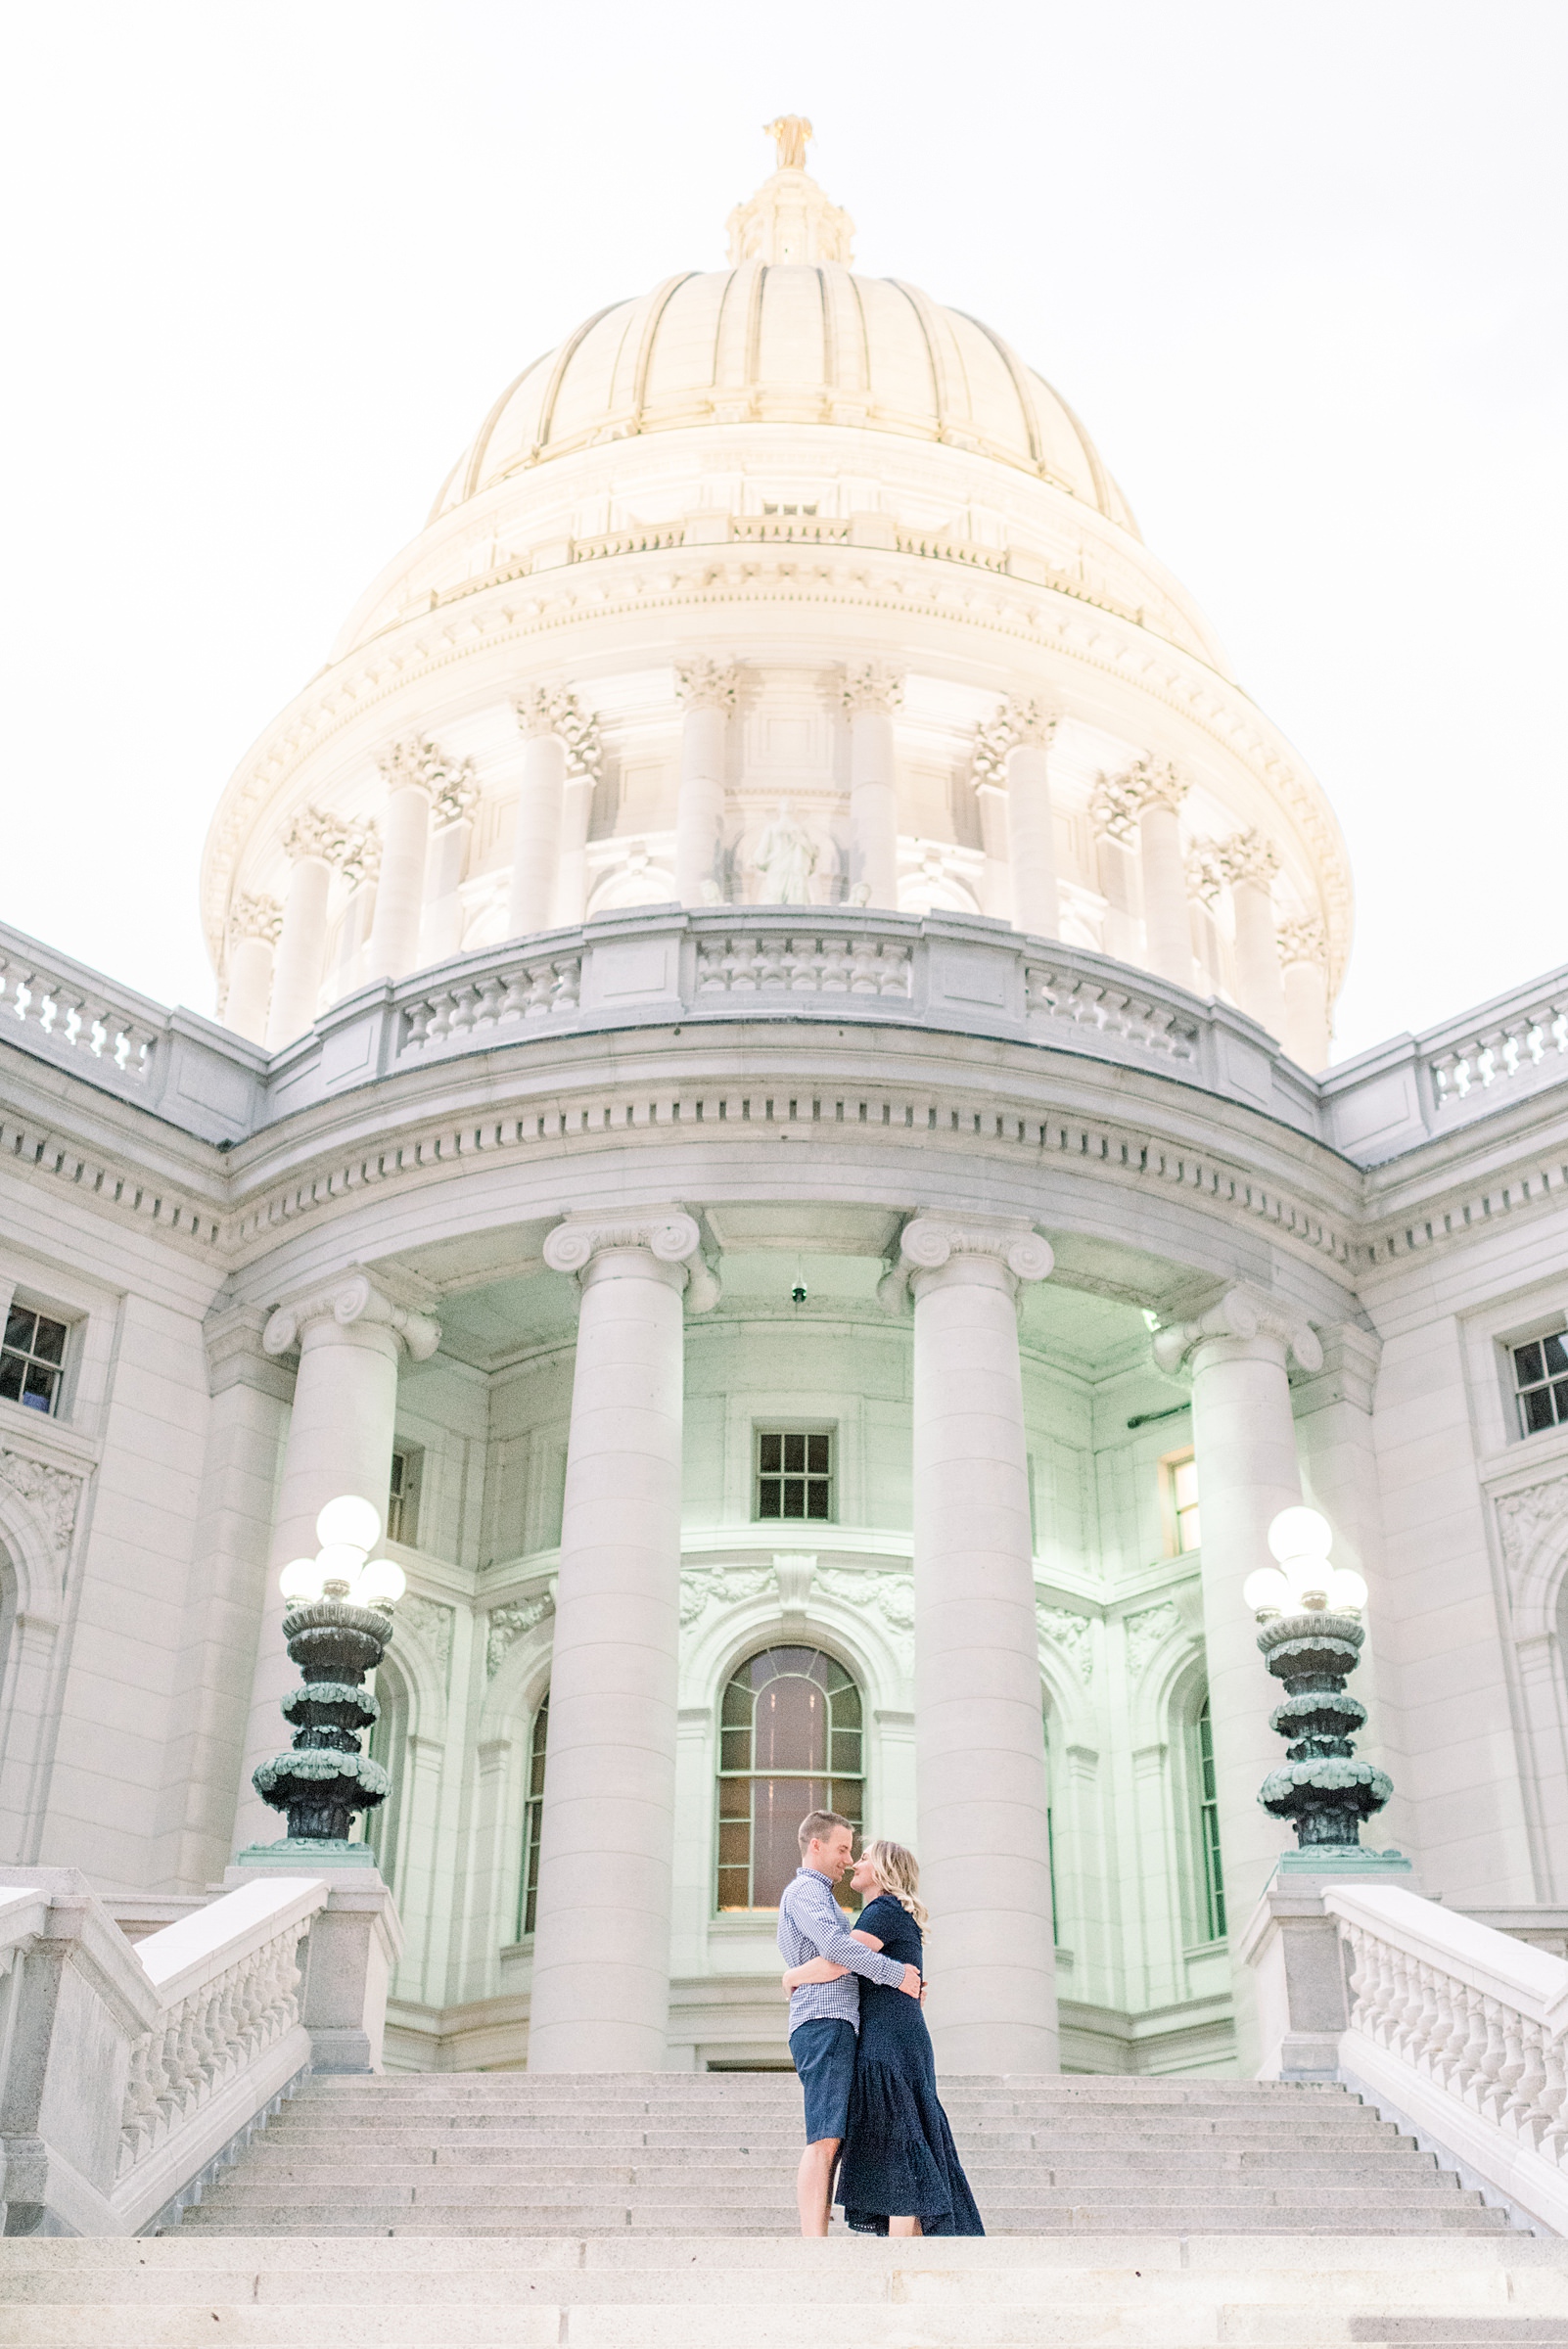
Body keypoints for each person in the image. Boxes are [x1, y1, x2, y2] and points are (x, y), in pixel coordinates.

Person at [783, 1837, 984, 2238]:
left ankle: (899, 2249)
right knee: (902, 2134)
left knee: (898, 2135)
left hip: (888, 2039)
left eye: (863, 1858)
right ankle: (904, 2245)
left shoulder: (883, 1909)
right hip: (899, 2036)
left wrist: (792, 1976)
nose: (855, 1863)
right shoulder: (892, 1912)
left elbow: (841, 1959)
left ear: (885, 1871)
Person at [776, 1810, 924, 2236]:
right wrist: (895, 1974)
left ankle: (820, 2238)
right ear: (815, 1845)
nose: (848, 1858)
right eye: (842, 1849)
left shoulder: (824, 1897)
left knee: (833, 2140)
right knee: (824, 2137)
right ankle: (813, 2245)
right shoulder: (805, 1891)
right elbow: (838, 1950)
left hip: (839, 2023)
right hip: (823, 2021)